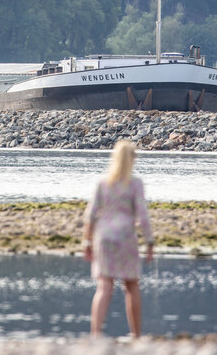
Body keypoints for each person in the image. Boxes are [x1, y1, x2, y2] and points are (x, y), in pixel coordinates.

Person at [82, 140, 154, 339]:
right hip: (126, 237)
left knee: (104, 286)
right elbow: (143, 215)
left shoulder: (102, 183)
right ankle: (136, 335)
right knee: (131, 285)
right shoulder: (135, 183)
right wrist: (149, 242)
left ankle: (95, 334)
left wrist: (86, 242)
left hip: (103, 238)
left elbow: (90, 214)